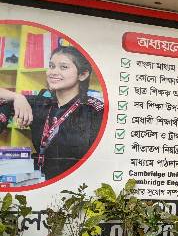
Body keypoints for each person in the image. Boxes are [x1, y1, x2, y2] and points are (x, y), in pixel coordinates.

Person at [0, 46, 104, 181]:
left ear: (82, 75)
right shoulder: (40, 103)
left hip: (75, 183)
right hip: (39, 179)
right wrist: (16, 97)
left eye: (63, 67)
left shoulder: (94, 110)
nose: (53, 72)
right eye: (51, 66)